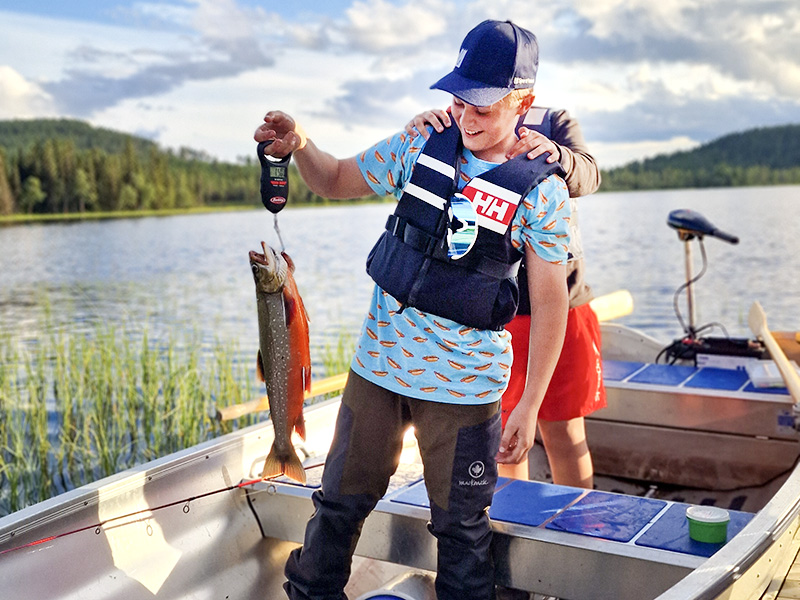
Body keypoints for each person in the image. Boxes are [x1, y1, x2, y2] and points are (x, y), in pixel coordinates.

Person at [255, 20, 570, 600]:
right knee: (338, 507)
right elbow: (337, 179)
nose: (468, 116)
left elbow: (553, 303)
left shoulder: (542, 191)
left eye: (485, 104)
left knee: (462, 531)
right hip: (378, 370)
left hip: (468, 388)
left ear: (523, 102)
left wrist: (531, 402)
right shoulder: (417, 142)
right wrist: (300, 145)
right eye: (458, 98)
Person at [405, 102, 606, 489]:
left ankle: (579, 533)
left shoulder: (554, 122)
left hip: (564, 305)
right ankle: (513, 525)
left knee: (564, 433)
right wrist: (416, 130)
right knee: (504, 434)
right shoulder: (464, 119)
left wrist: (556, 154)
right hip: (497, 309)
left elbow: (589, 174)